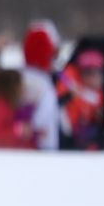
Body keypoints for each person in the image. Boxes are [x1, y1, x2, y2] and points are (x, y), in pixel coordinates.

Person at [17, 20, 61, 150]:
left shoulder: (19, 77)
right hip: (43, 144)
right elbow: (46, 113)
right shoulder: (43, 84)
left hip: (19, 143)